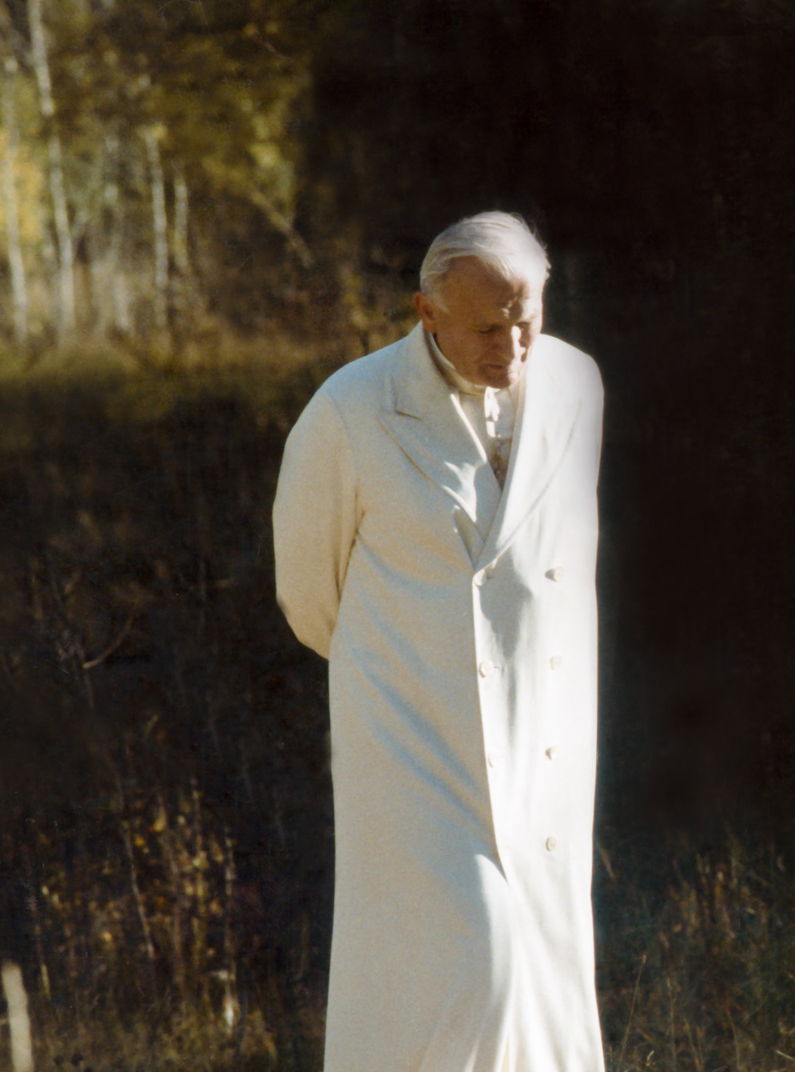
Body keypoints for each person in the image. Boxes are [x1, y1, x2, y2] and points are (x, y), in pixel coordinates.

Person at [272, 211, 605, 1071]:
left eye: (524, 317)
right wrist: (414, 663)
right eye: (485, 327)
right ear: (426, 313)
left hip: (546, 734)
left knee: (541, 967)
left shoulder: (578, 387)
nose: (511, 343)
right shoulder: (350, 411)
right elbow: (311, 598)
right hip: (413, 738)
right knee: (470, 963)